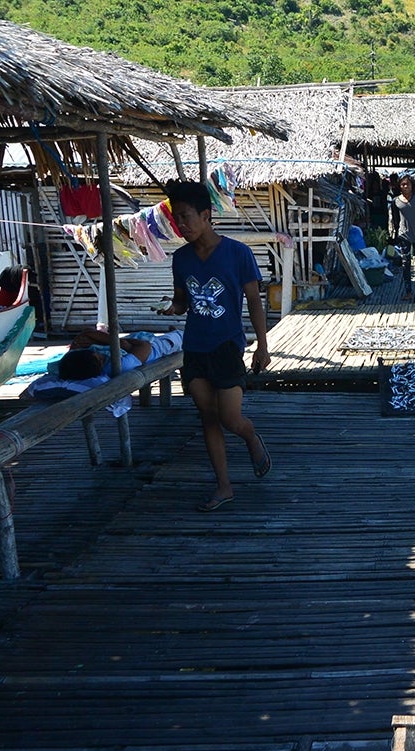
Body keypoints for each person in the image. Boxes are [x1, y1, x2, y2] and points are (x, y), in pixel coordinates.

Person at [158, 180, 272, 512]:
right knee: (207, 417)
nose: (181, 225)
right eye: (176, 219)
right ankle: (224, 487)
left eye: (185, 217)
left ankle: (250, 437)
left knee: (231, 419)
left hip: (226, 346)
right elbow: (183, 302)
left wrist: (262, 347)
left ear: (207, 215)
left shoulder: (238, 253)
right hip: (195, 346)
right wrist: (171, 308)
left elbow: (254, 302)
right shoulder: (180, 259)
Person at [56, 328, 184, 380]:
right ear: (99, 362)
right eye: (96, 355)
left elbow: (85, 334)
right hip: (159, 348)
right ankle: (177, 332)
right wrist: (121, 343)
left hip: (136, 344)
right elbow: (145, 346)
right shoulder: (120, 365)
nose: (98, 353)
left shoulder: (82, 365)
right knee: (181, 335)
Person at [389, 173, 415, 301]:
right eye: (403, 184)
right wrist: (395, 233)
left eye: (408, 184)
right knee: (406, 263)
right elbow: (395, 219)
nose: (405, 186)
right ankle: (408, 291)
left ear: (412, 185)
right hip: (404, 234)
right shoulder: (396, 201)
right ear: (400, 186)